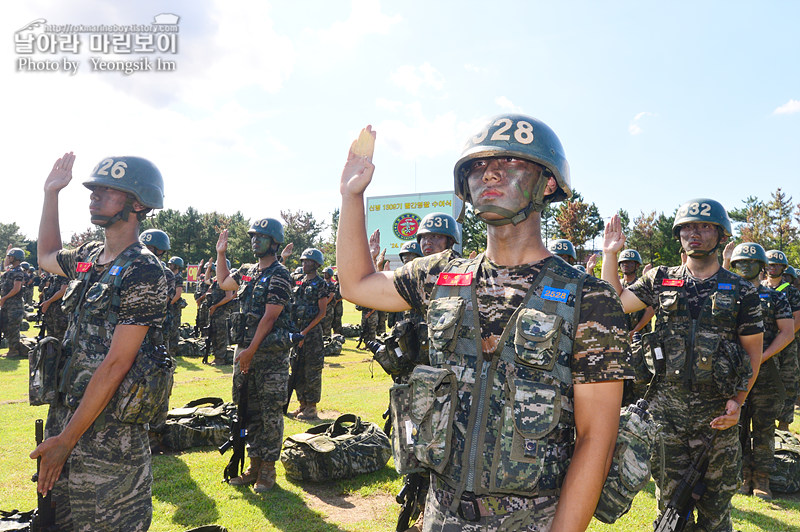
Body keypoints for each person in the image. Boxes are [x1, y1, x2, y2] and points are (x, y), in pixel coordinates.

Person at [339, 116, 631, 531]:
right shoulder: (441, 274)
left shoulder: (590, 298)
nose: (489, 172)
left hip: (532, 519)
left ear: (548, 183)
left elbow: (595, 440)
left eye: (511, 161)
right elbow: (356, 284)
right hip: (442, 514)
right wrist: (352, 197)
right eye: (476, 166)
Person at [601, 199, 763, 532]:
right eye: (688, 227)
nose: (695, 234)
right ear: (679, 235)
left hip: (717, 415)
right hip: (666, 414)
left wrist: (738, 401)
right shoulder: (660, 278)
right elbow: (614, 304)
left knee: (716, 512)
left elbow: (753, 354)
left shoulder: (743, 291)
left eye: (704, 227)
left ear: (720, 235)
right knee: (671, 506)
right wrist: (610, 255)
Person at [32, 152, 169, 530]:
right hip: (67, 421)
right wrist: (51, 194)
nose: (94, 196)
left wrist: (65, 440)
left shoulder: (144, 270)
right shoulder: (89, 257)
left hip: (110, 443)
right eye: (94, 190)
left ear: (137, 203)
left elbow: (116, 364)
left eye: (108, 191)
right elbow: (45, 255)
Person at [215, 218, 294, 492]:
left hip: (269, 357)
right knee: (247, 409)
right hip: (245, 353)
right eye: (253, 236)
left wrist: (250, 350)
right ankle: (253, 465)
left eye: (261, 236)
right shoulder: (247, 270)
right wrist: (221, 254)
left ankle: (268, 470)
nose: (254, 240)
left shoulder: (280, 274)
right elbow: (225, 283)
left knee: (270, 413)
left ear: (274, 242)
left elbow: (270, 317)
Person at [727, 243, 794, 500]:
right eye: (740, 262)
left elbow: (787, 332)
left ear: (761, 266)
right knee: (738, 426)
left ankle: (762, 479)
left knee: (764, 428)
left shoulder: (775, 296)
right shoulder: (728, 294)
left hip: (766, 374)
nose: (745, 267)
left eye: (750, 262)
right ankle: (743, 475)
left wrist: (763, 357)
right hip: (734, 372)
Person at [288, 247, 332, 420]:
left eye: (308, 261)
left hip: (312, 334)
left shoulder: (321, 284)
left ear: (316, 264)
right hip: (297, 331)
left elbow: (322, 313)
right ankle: (302, 405)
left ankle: (312, 408)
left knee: (312, 370)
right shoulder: (298, 280)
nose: (304, 263)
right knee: (297, 368)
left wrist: (304, 333)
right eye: (303, 261)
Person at [761, 249, 800, 432]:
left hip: (786, 346)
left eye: (777, 264)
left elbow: (797, 320)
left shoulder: (791, 292)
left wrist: (782, 337)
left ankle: (784, 424)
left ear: (783, 268)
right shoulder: (757, 287)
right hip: (761, 343)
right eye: (769, 264)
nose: (772, 267)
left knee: (788, 382)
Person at [139, 229, 176, 353]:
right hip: (133, 325)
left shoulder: (166, 273)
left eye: (149, 248)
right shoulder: (133, 269)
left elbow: (164, 301)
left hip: (156, 327)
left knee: (158, 359)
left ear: (160, 250)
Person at [204, 259, 236, 365]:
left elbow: (228, 297)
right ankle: (216, 356)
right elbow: (206, 280)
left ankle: (220, 358)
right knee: (214, 334)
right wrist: (208, 268)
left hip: (222, 312)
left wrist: (215, 306)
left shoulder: (228, 279)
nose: (216, 268)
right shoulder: (216, 279)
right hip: (214, 312)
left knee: (221, 335)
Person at [1, 247, 29, 357]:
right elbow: (5, 265)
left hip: (14, 305)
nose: (9, 258)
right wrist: (7, 252)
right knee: (6, 326)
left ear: (17, 258)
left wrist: (4, 298)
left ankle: (14, 351)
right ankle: (11, 349)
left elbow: (16, 288)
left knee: (13, 327)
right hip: (8, 304)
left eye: (11, 256)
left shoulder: (18, 271)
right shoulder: (11, 270)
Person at [39, 272, 69, 342]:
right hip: (51, 311)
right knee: (50, 336)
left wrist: (48, 301)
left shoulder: (65, 275)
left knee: (60, 336)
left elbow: (63, 290)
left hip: (60, 311)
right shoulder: (54, 276)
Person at [166, 256, 186, 355]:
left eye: (171, 264)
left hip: (173, 307)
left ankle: (172, 351)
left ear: (177, 266)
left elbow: (178, 294)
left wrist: (169, 304)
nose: (169, 265)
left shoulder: (178, 278)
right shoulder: (169, 275)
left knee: (174, 329)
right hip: (168, 306)